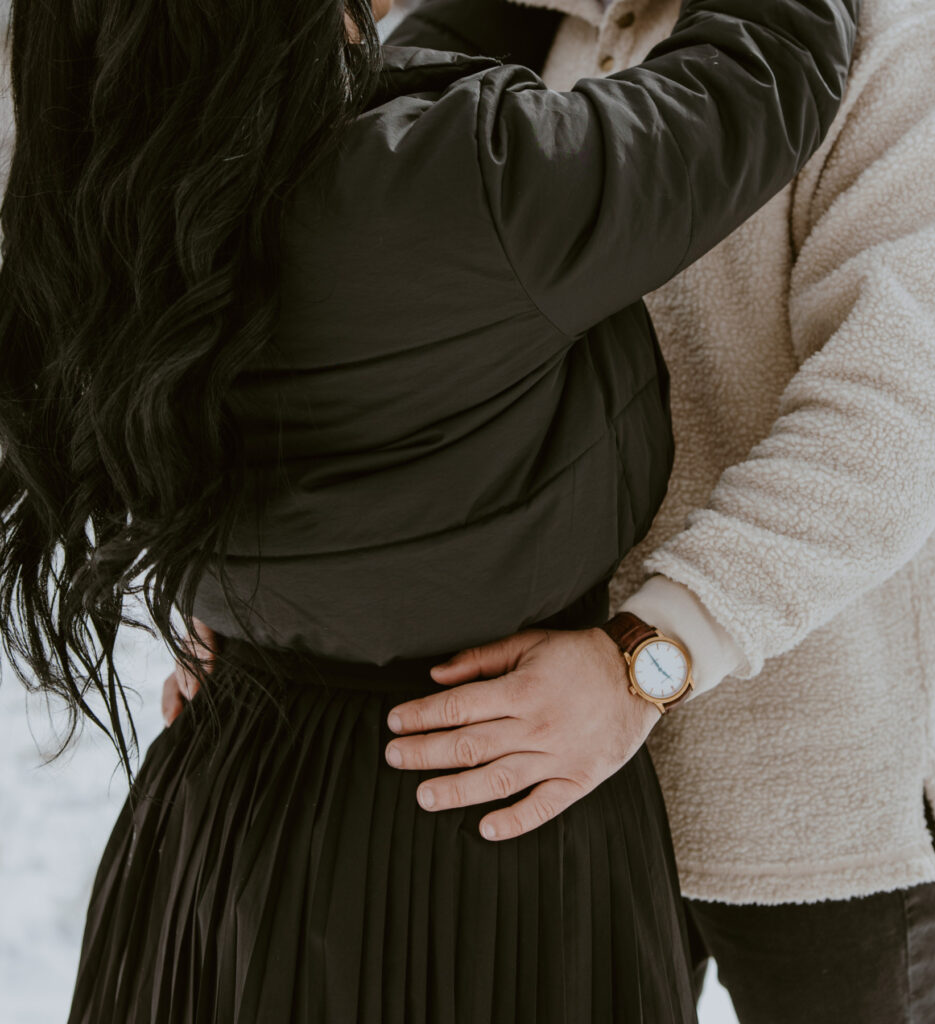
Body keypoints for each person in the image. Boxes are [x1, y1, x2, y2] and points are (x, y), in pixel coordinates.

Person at [0, 0, 859, 1020]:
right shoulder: (463, 181)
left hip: (228, 799)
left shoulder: (112, 194)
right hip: (475, 822)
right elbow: (761, 75)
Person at [367, 0, 935, 1019]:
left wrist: (644, 657)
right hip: (541, 770)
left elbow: (894, 410)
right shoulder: (481, 29)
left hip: (812, 783)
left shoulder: (892, 32)